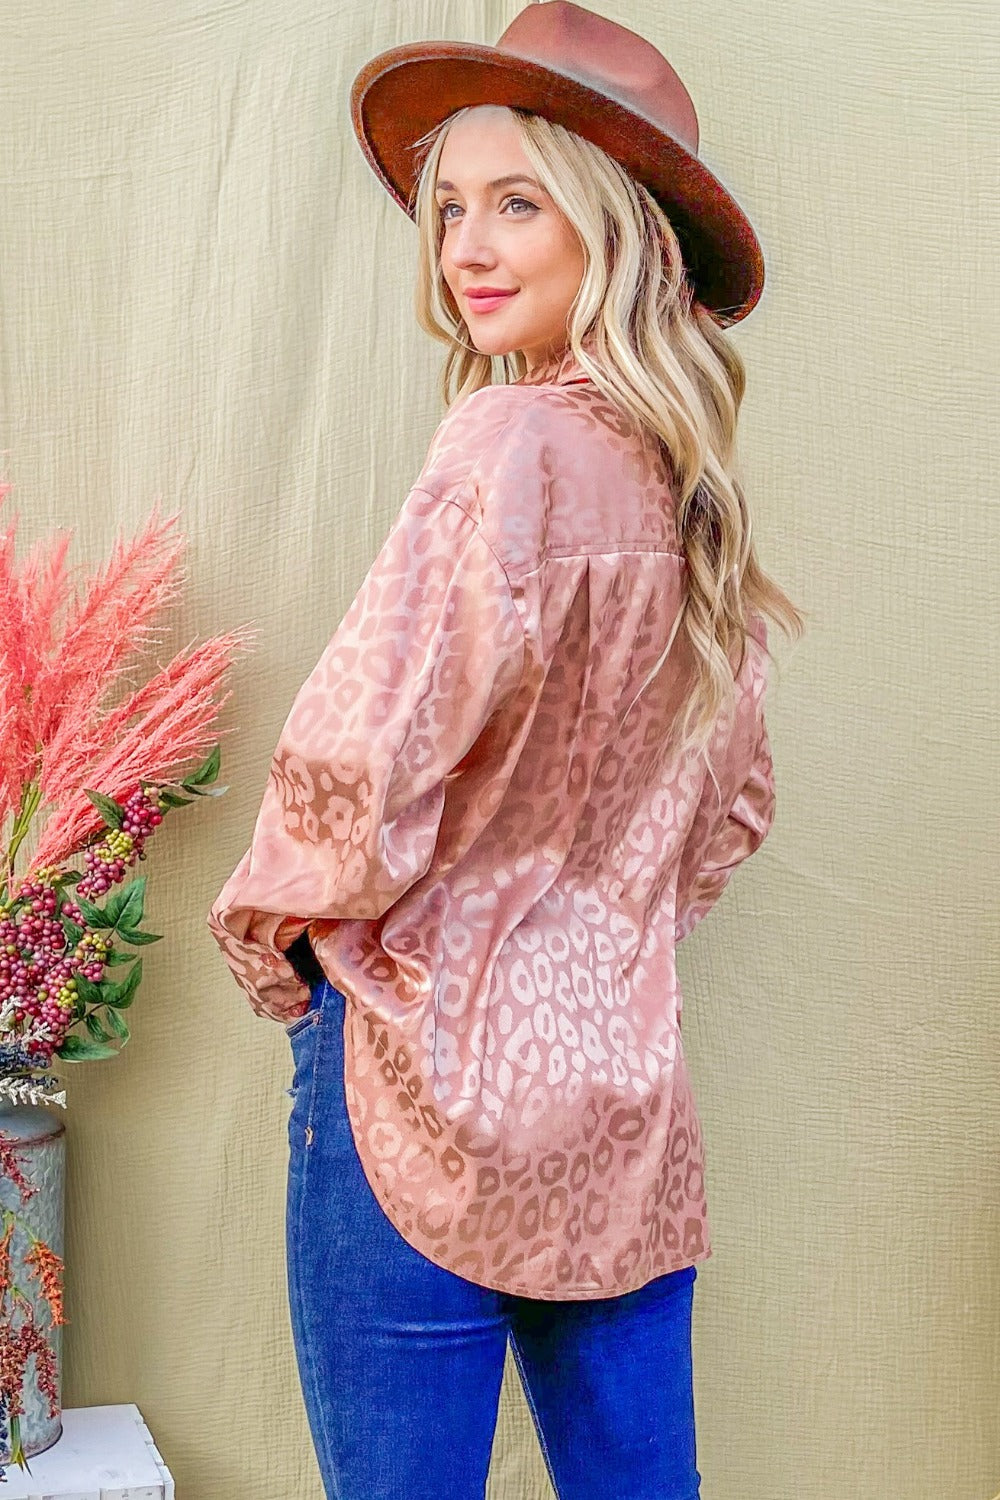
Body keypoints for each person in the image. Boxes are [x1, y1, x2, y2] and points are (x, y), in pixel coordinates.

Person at [208, 3, 804, 1496]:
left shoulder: (503, 448)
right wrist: (595, 938)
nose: (466, 245)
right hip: (619, 1104)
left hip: (418, 1081)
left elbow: (360, 753)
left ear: (616, 224)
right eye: (450, 207)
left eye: (516, 202)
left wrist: (279, 944)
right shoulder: (690, 495)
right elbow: (731, 812)